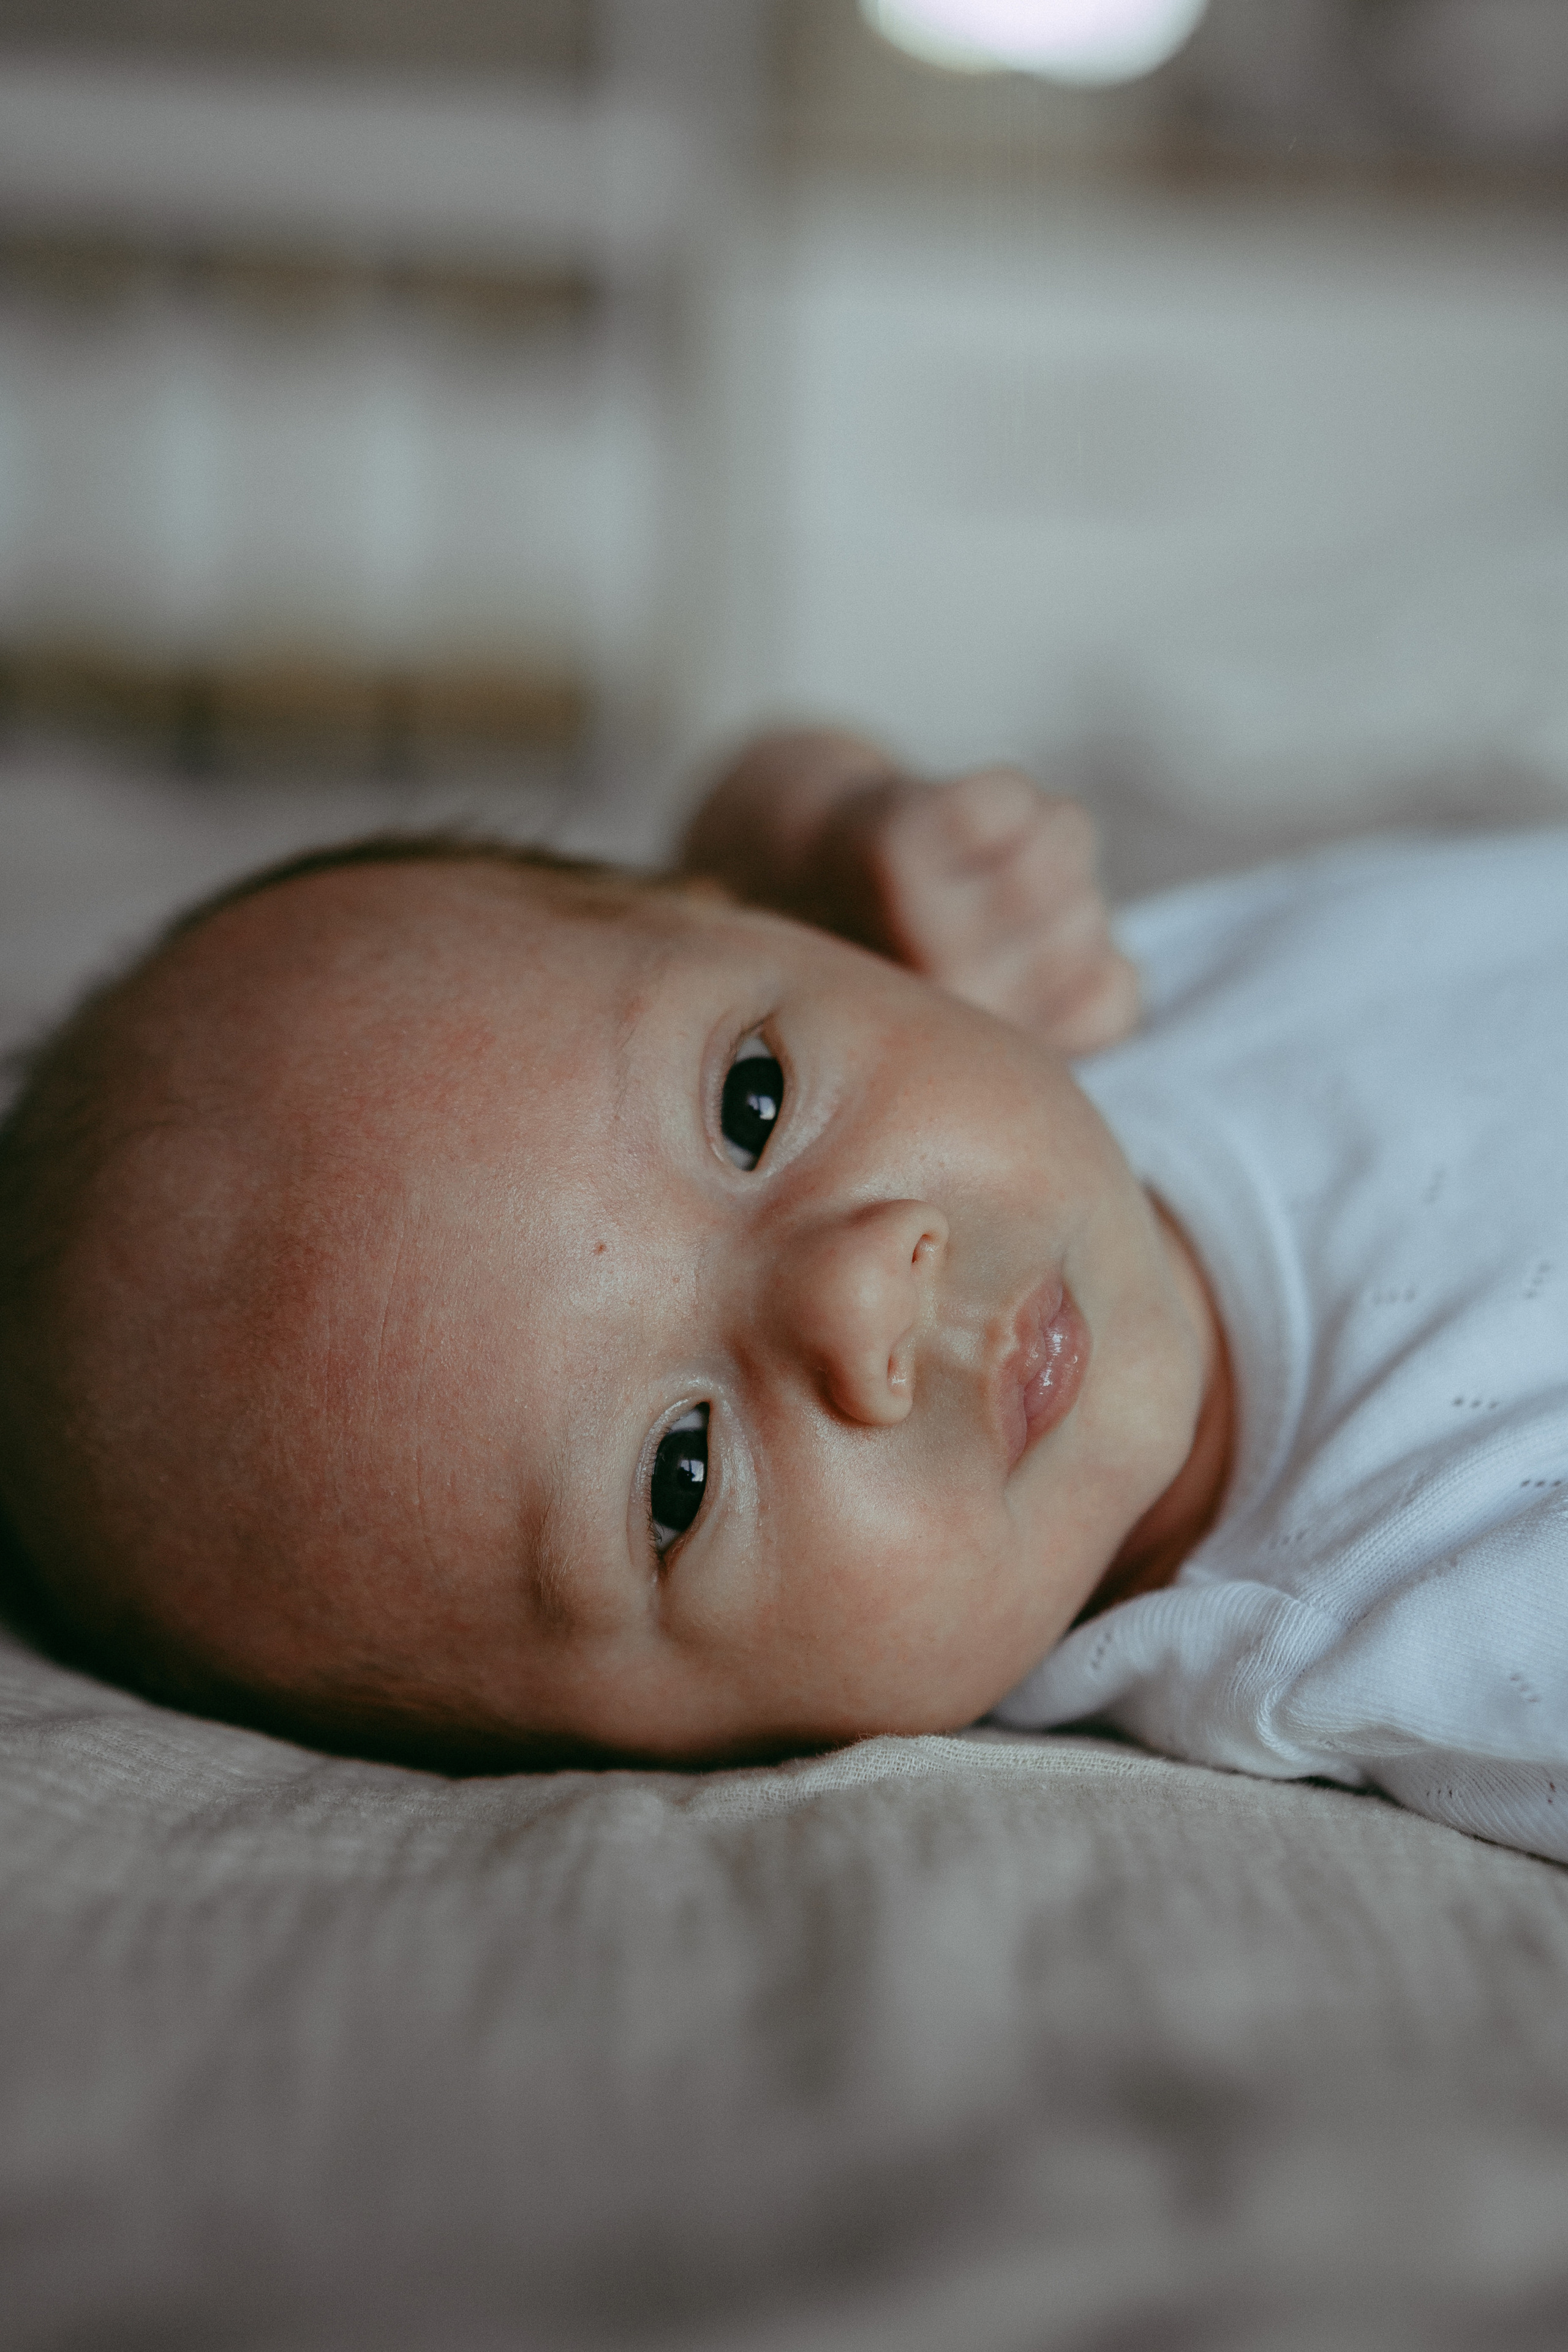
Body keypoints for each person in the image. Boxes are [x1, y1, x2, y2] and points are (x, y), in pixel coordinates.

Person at [0, 730, 1562, 1861]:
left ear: (777, 929)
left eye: (750, 1103)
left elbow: (747, 789)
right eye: (677, 1480)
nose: (858, 1297)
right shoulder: (1400, 1626)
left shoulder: (1037, 1004)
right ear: (635, 1757)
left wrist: (846, 826)